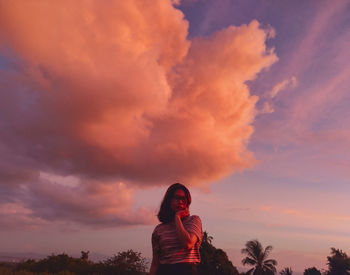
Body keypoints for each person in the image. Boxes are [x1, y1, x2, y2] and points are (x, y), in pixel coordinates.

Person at [150, 183, 203, 275]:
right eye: (177, 198)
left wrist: (177, 217)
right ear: (169, 200)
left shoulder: (193, 221)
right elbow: (155, 263)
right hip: (164, 270)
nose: (181, 202)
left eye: (184, 199)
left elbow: (188, 243)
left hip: (186, 270)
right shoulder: (159, 230)